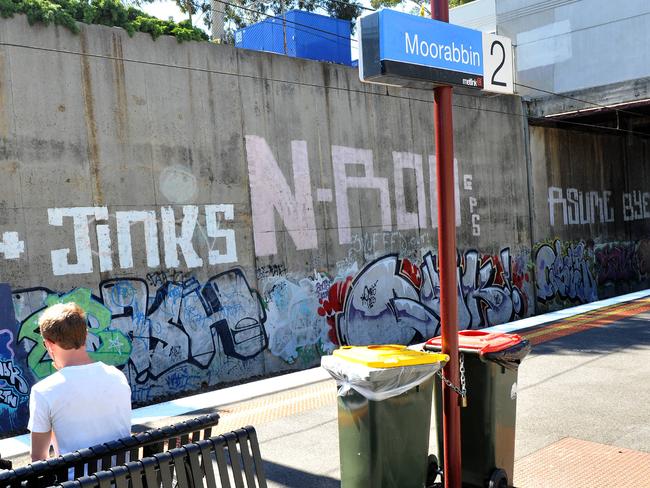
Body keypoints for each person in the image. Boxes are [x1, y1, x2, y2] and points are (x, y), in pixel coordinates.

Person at [28, 302, 132, 461]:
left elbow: (38, 458)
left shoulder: (43, 391)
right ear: (86, 335)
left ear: (49, 344)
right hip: (125, 479)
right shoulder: (117, 376)